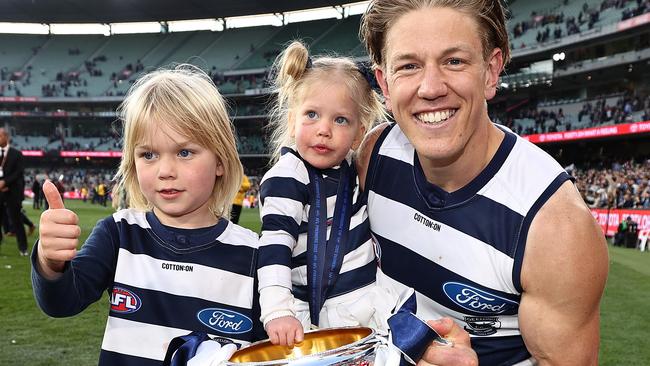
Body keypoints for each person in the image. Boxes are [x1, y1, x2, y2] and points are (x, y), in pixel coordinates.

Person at [357, 1, 609, 365]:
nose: (430, 88)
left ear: (491, 72)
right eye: (408, 66)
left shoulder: (554, 228)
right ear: (384, 84)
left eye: (454, 61)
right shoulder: (373, 157)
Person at [32, 65, 263, 365]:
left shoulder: (256, 255)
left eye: (184, 152)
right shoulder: (119, 234)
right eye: (149, 155)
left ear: (220, 160)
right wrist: (50, 261)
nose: (165, 171)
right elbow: (61, 302)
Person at [257, 40, 406, 348]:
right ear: (292, 120)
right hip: (315, 319)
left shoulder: (354, 168)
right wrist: (276, 310)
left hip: (367, 307)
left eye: (340, 120)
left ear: (358, 134)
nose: (324, 129)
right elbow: (273, 248)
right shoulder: (289, 175)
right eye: (312, 114)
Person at [0, 127, 28, 256]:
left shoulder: (16, 154)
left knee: (16, 220)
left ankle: (23, 248)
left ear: (6, 137)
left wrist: (5, 182)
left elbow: (18, 173)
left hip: (12, 192)